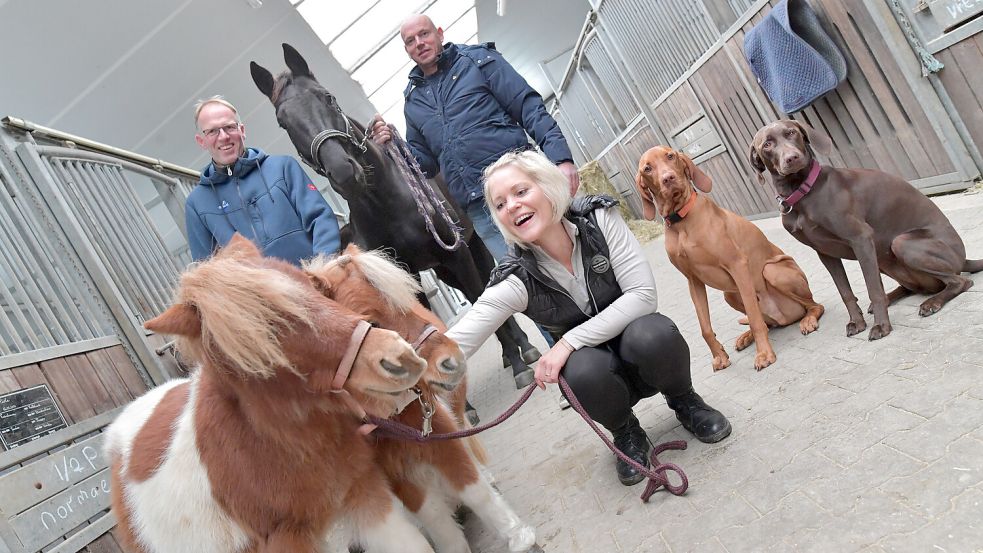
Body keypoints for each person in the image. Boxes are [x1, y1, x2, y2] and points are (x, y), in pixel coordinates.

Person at [445, 150, 732, 486]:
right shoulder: (516, 277)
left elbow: (642, 296)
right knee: (580, 370)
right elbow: (455, 343)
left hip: (641, 349)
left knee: (654, 333)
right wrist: (393, 381)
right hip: (597, 376)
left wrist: (567, 342)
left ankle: (686, 402)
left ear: (548, 186)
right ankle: (626, 433)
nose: (511, 206)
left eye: (521, 192)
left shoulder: (599, 218)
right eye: (499, 204)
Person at [370, 14, 580, 263]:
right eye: (410, 41)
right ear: (407, 50)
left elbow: (528, 107)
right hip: (479, 207)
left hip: (521, 187)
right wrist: (392, 146)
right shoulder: (413, 101)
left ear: (439, 33)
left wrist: (561, 159)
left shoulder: (479, 61)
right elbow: (425, 164)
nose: (419, 43)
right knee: (526, 281)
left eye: (424, 34)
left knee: (567, 257)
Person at [184, 95, 341, 265]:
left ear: (242, 131)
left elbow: (320, 217)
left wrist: (322, 269)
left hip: (314, 280)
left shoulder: (283, 166)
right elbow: (207, 267)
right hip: (260, 291)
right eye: (212, 131)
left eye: (229, 127)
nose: (223, 137)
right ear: (201, 141)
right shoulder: (197, 204)